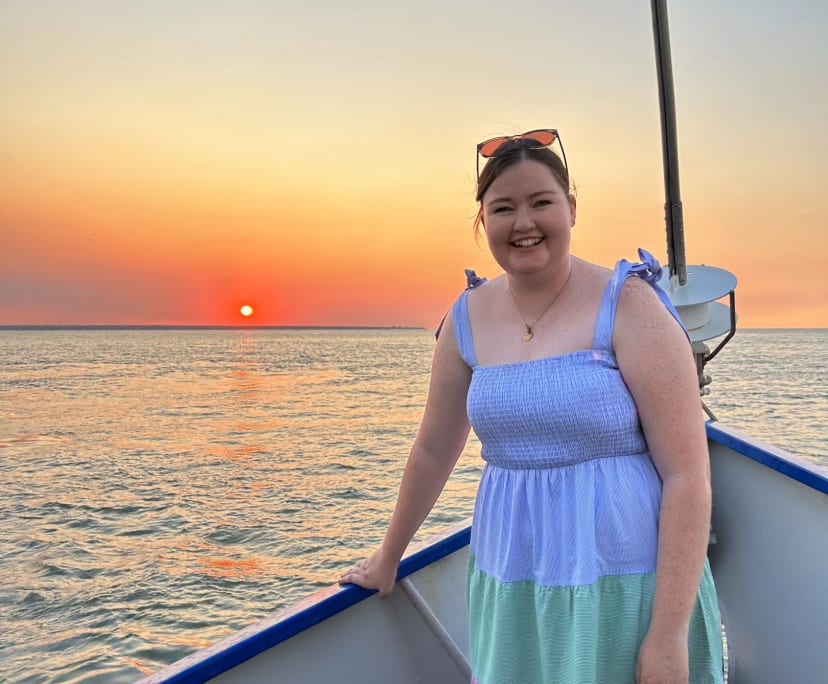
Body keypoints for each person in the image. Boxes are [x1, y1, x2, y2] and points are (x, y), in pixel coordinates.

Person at [339, 129, 723, 683]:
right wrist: (388, 555)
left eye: (541, 202)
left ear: (571, 208)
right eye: (503, 208)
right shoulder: (466, 317)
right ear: (483, 221)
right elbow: (432, 450)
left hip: (622, 577)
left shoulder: (630, 305)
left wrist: (668, 635)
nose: (523, 223)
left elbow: (687, 474)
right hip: (512, 578)